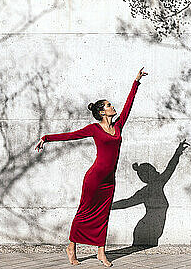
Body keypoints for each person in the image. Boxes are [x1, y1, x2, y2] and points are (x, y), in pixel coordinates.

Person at [34, 67, 148, 267]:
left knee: (104, 215)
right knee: (84, 213)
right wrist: (46, 138)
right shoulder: (94, 129)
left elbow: (129, 104)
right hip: (94, 178)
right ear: (102, 111)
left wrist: (136, 82)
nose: (113, 107)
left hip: (109, 181)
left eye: (111, 104)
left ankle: (101, 253)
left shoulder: (118, 126)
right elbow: (70, 136)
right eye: (109, 105)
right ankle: (71, 246)